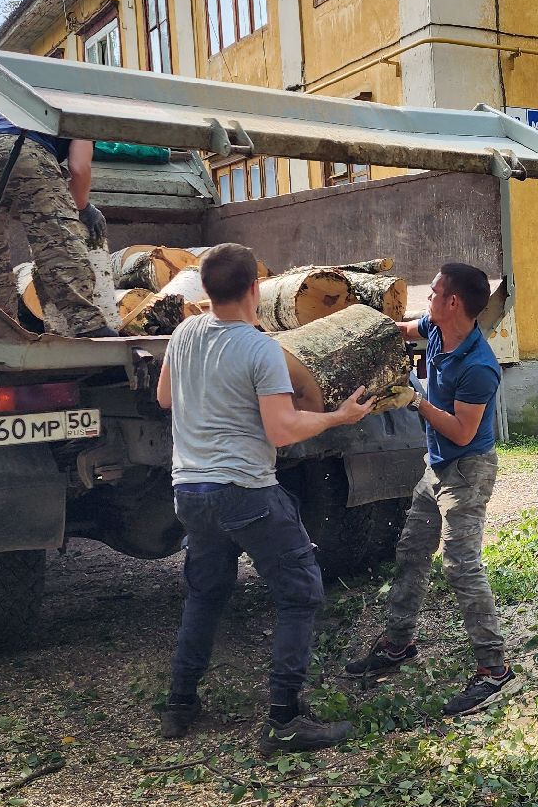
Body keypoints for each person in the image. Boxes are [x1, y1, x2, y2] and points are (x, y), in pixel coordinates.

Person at [154, 243, 375, 753]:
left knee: (205, 594)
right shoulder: (260, 349)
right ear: (257, 289)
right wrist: (338, 417)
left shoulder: (184, 333)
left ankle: (180, 704)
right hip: (245, 491)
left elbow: (165, 397)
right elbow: (282, 430)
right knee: (300, 593)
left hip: (190, 491)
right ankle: (285, 719)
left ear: (205, 289)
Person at [343, 263, 522, 718]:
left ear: (453, 302)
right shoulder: (436, 329)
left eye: (434, 292)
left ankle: (494, 668)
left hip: (467, 471)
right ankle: (399, 643)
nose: (428, 299)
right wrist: (360, 322)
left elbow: (462, 432)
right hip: (436, 467)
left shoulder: (479, 367)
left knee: (461, 566)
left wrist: (416, 399)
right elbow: (405, 329)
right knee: (411, 551)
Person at [0, 108, 114, 337]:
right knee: (56, 239)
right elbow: (79, 168)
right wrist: (84, 209)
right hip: (24, 145)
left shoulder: (28, 101)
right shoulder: (83, 113)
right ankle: (88, 325)